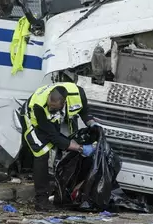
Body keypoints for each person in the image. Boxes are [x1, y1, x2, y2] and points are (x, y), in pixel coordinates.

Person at [20, 82, 99, 212]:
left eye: (54, 108)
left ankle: (58, 190)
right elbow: (54, 137)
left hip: (51, 120)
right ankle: (41, 201)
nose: (51, 109)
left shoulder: (78, 94)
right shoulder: (39, 106)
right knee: (41, 153)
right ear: (48, 98)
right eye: (50, 106)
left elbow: (85, 111)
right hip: (31, 119)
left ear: (64, 103)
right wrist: (81, 148)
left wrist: (93, 124)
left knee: (62, 147)